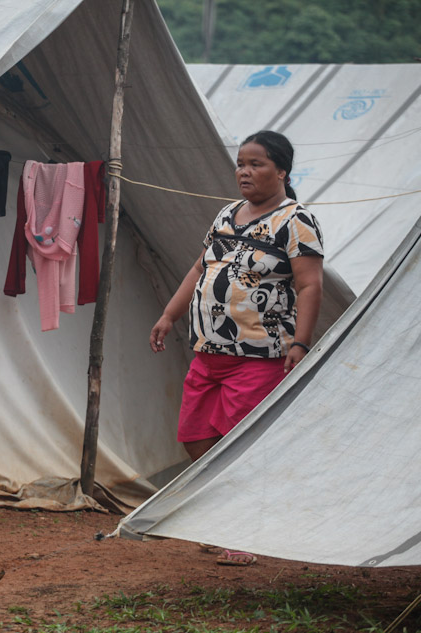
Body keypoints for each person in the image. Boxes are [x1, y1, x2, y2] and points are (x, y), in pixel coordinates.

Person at [149, 130, 324, 566]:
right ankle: (222, 514)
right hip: (207, 352)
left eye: (257, 164)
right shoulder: (227, 214)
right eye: (241, 163)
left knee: (240, 442)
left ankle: (241, 530)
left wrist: (301, 342)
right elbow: (198, 267)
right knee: (194, 436)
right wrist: (170, 314)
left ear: (281, 171)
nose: (245, 171)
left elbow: (309, 284)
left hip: (259, 355)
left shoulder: (296, 220)